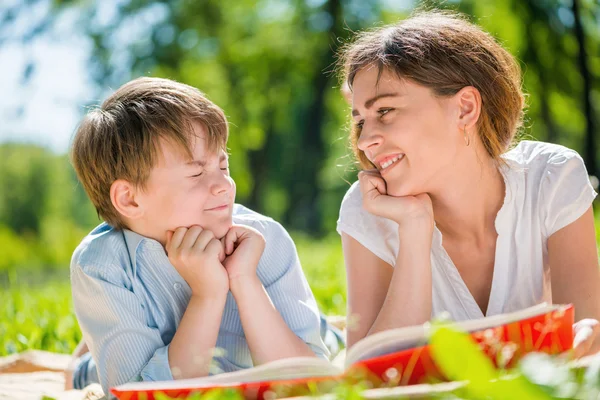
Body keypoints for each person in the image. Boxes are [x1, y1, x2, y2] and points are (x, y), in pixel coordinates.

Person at [336, 10, 600, 357]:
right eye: (360, 122)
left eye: (384, 111)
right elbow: (368, 378)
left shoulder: (550, 179)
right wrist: (415, 229)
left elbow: (586, 349)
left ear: (464, 108)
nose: (366, 139)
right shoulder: (368, 209)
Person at [66, 77, 329, 396]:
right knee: (81, 378)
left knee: (326, 335)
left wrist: (244, 279)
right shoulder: (101, 266)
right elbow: (141, 393)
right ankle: (84, 358)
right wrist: (208, 294)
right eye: (195, 173)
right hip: (132, 359)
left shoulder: (264, 240)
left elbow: (310, 384)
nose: (224, 185)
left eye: (223, 166)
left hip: (278, 340)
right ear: (130, 200)